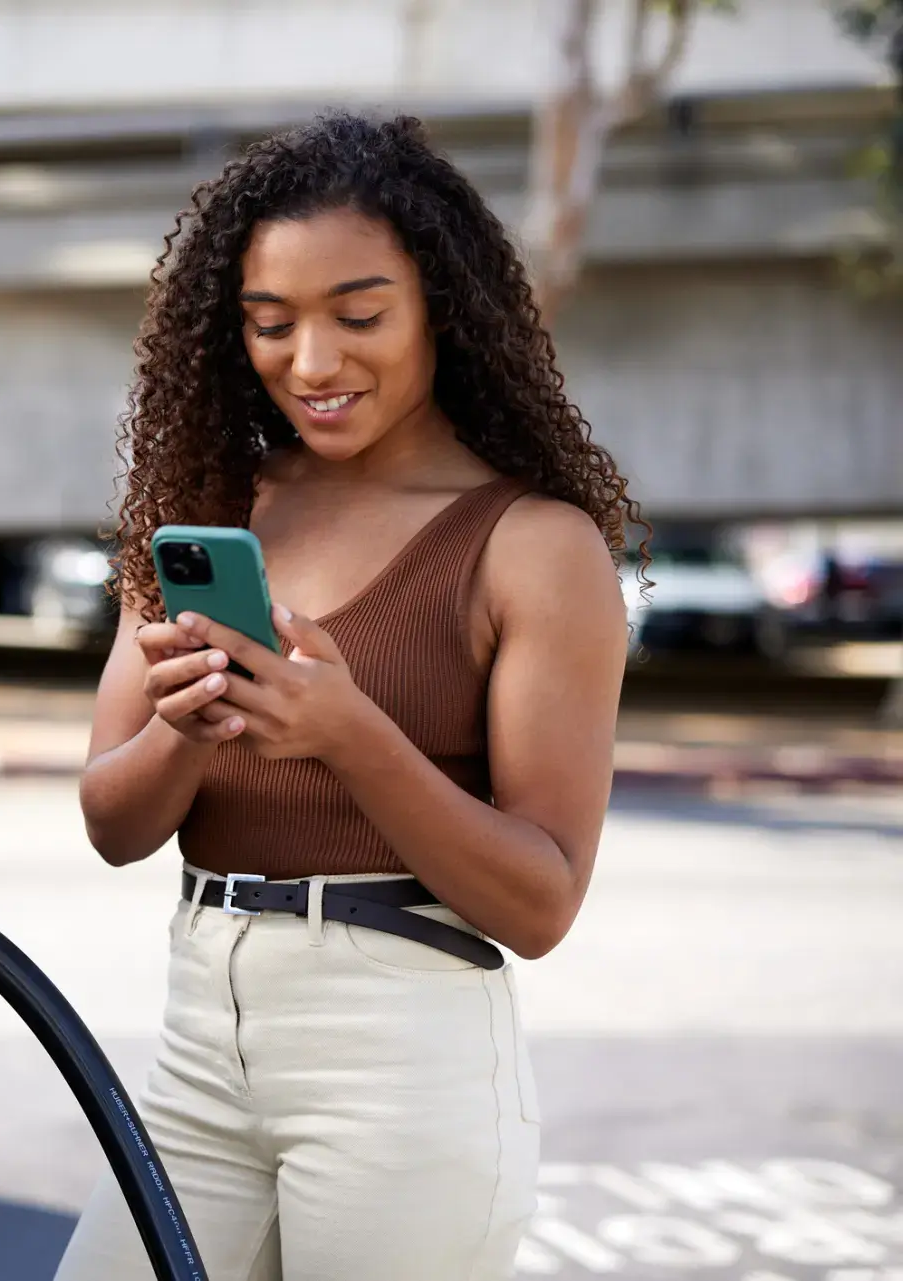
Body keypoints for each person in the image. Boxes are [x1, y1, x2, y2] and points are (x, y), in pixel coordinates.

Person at [55, 113, 638, 1281]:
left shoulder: (533, 546)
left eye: (358, 316)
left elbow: (540, 903)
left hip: (403, 1068)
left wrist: (350, 734)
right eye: (271, 325)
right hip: (199, 1045)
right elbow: (115, 826)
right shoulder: (213, 510)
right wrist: (190, 721)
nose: (312, 363)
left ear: (442, 309)